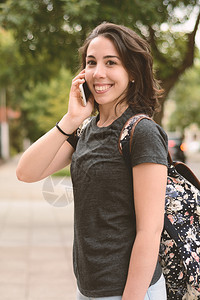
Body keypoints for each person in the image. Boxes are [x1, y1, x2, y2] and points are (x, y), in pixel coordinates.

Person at [16, 22, 168, 300]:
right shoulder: (86, 129)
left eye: (111, 63)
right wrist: (72, 118)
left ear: (132, 72)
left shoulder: (141, 132)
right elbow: (26, 172)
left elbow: (150, 230)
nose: (98, 73)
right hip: (88, 288)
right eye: (91, 62)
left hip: (129, 291)